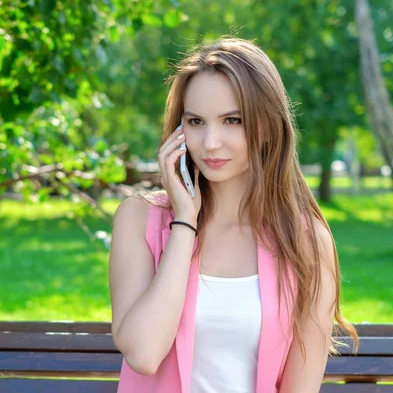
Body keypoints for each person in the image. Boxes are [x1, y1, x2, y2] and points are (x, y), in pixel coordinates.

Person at [108, 36, 359, 393]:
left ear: (268, 124)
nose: (210, 142)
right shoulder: (138, 219)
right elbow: (144, 355)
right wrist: (184, 223)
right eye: (196, 122)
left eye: (232, 120)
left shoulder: (306, 242)